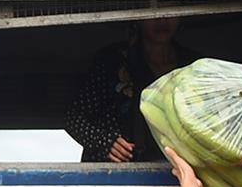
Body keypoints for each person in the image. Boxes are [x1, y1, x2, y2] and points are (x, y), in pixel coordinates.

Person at [65, 16, 196, 163]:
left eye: (169, 10)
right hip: (116, 172)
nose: (162, 20)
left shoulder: (193, 66)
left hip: (179, 170)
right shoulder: (111, 60)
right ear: (139, 18)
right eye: (153, 11)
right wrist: (105, 142)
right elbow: (74, 120)